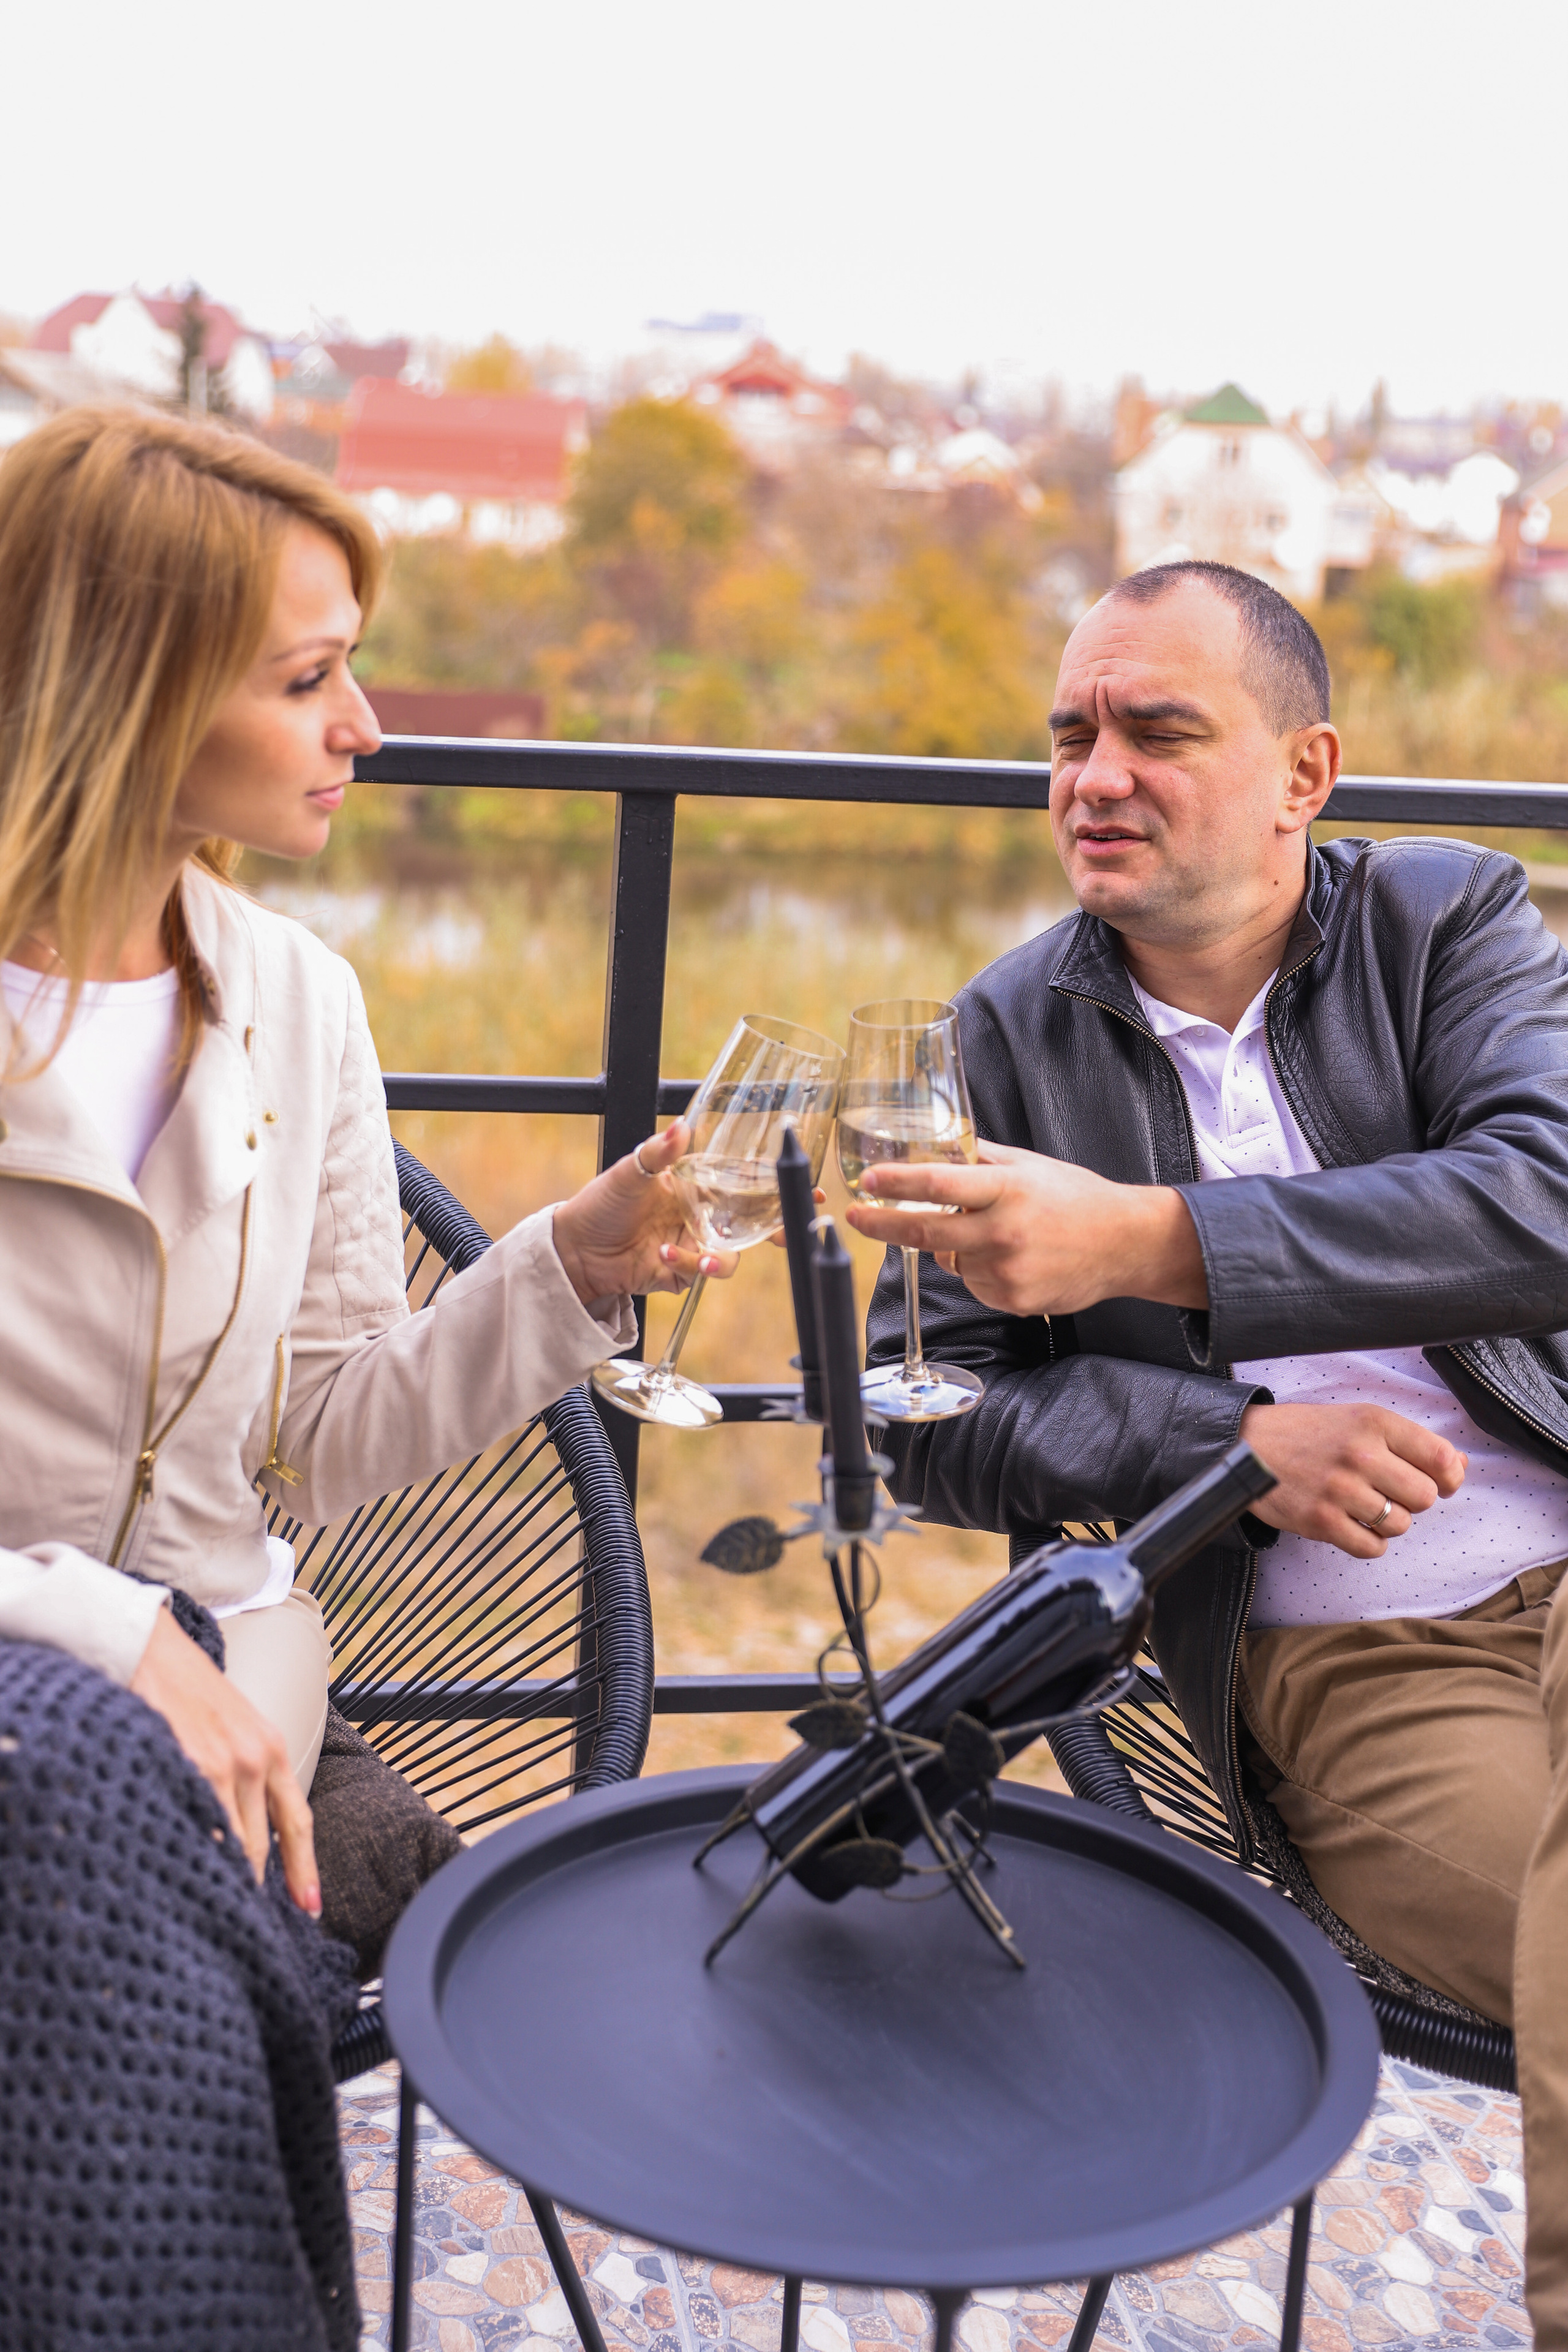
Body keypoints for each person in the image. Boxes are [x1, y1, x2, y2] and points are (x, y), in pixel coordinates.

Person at [0, 404, 731, 2348]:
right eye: (312, 678)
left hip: (241, 1700)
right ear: (129, 686)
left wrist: (570, 1264)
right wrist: (88, 1625)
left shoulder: (295, 1000)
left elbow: (320, 1432)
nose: (369, 727)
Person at [851, 560, 1568, 2345]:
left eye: (1160, 731)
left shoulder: (1449, 920)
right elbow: (912, 1415)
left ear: (1302, 776)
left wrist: (1154, 1241)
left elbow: (1552, 1197)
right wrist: (1231, 1441)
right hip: (1367, 1666)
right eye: (1072, 734)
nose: (1097, 774)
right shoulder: (1003, 1033)